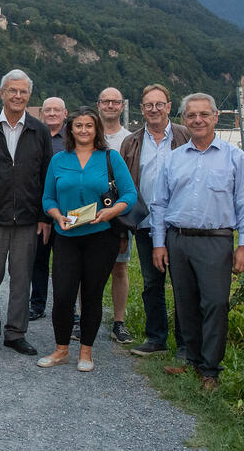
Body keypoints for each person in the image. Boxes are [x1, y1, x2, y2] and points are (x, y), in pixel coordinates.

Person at [151, 92, 244, 391]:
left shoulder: (235, 158)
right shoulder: (174, 159)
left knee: (215, 303)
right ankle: (192, 360)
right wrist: (159, 243)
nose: (197, 120)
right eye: (191, 115)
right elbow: (160, 204)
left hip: (216, 240)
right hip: (179, 239)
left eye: (203, 115)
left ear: (215, 117)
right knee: (186, 304)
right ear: (183, 119)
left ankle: (210, 369)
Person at [37, 106, 136, 372]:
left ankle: (86, 352)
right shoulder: (59, 160)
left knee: (92, 295)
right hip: (66, 237)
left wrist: (110, 212)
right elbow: (47, 197)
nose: (83, 130)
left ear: (97, 129)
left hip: (101, 238)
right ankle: (60, 350)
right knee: (62, 295)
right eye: (78, 126)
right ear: (71, 129)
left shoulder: (110, 158)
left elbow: (129, 195)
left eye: (88, 126)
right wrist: (57, 216)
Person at [0, 70, 52, 356]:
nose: (18, 96)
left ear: (29, 96)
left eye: (23, 92)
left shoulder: (39, 130)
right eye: (12, 91)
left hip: (28, 219)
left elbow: (46, 177)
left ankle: (16, 333)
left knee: (21, 279)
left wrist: (44, 217)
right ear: (2, 93)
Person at [118, 84, 190, 357]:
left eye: (159, 104)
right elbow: (124, 187)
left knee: (182, 283)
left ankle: (184, 344)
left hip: (180, 224)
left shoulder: (185, 136)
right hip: (146, 224)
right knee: (152, 283)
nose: (154, 109)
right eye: (149, 105)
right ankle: (156, 338)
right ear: (142, 109)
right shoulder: (132, 142)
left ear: (169, 107)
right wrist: (124, 229)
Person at [98, 87, 133, 344]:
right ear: (98, 104)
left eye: (115, 102)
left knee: (119, 267)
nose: (110, 105)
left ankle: (118, 322)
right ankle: (82, 317)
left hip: (118, 214)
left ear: (122, 106)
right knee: (84, 268)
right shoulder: (88, 132)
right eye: (106, 101)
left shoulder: (129, 139)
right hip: (88, 211)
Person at [30, 96, 67, 321]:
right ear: (42, 113)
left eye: (57, 110)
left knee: (65, 264)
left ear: (65, 113)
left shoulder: (72, 139)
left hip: (66, 210)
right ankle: (37, 304)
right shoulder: (35, 136)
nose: (52, 113)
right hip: (40, 209)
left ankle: (67, 309)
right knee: (39, 260)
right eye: (48, 110)